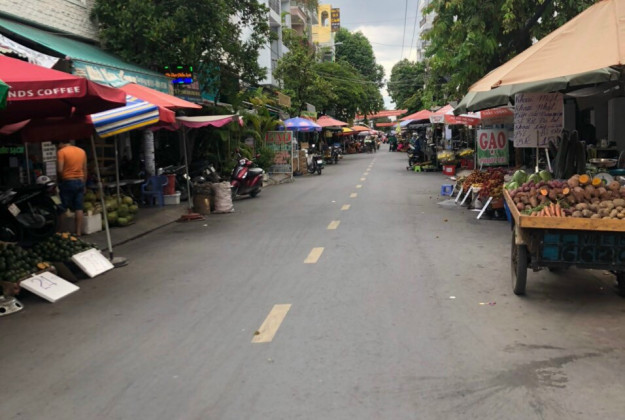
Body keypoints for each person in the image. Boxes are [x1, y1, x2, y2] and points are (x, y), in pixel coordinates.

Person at [56, 140, 87, 236]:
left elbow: (60, 170)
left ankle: (60, 230)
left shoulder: (61, 152)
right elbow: (85, 169)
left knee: (63, 207)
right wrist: (84, 183)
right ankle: (78, 232)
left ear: (61, 143)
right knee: (79, 207)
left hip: (67, 181)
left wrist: (60, 179)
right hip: (80, 181)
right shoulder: (82, 151)